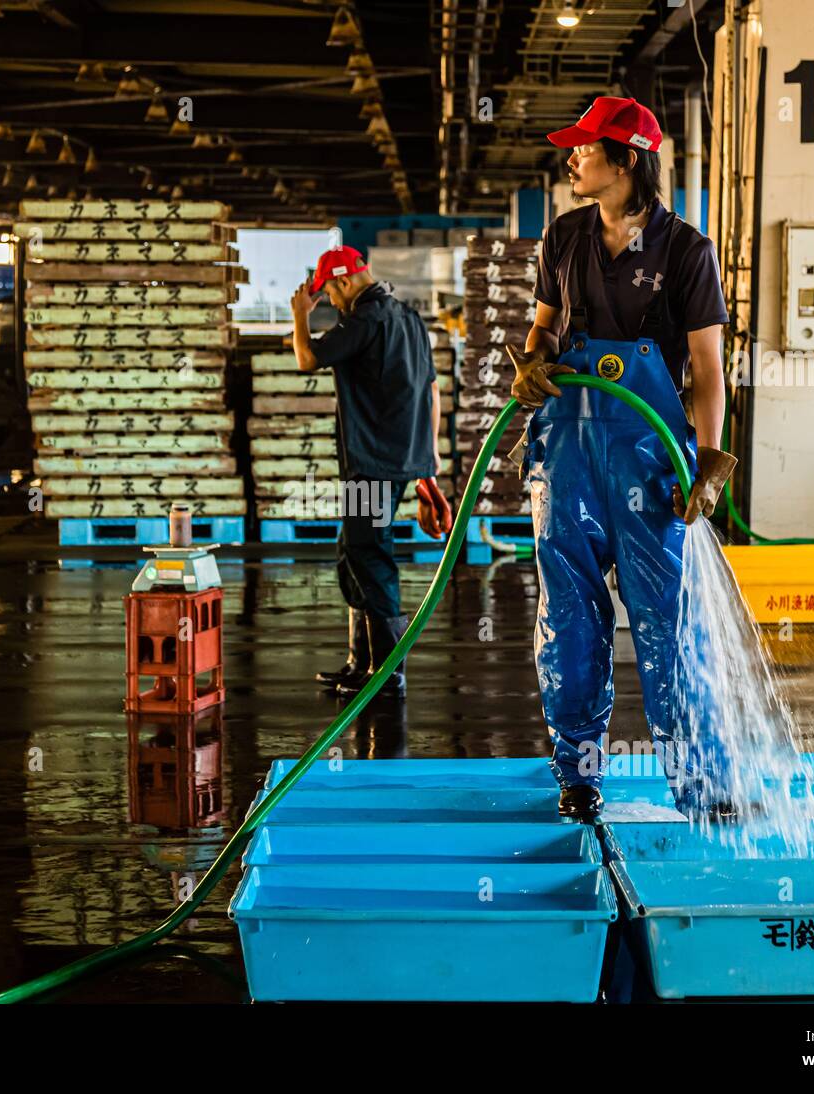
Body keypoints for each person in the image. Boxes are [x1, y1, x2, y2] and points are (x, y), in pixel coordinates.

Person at [508, 96, 738, 821]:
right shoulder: (566, 236)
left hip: (649, 459)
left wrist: (706, 463)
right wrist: (531, 364)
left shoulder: (685, 252)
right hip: (568, 453)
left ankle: (699, 783)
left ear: (626, 160)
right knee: (570, 619)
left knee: (668, 624)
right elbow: (544, 330)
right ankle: (578, 776)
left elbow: (707, 367)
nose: (572, 158)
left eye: (584, 148)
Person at [290, 245, 451, 700]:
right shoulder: (409, 318)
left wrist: (300, 315)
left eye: (331, 295)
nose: (333, 304)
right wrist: (429, 459)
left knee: (369, 554)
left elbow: (306, 359)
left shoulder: (363, 321)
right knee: (354, 550)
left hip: (372, 465)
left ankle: (387, 674)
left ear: (342, 282)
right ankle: (362, 662)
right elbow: (433, 389)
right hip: (398, 459)